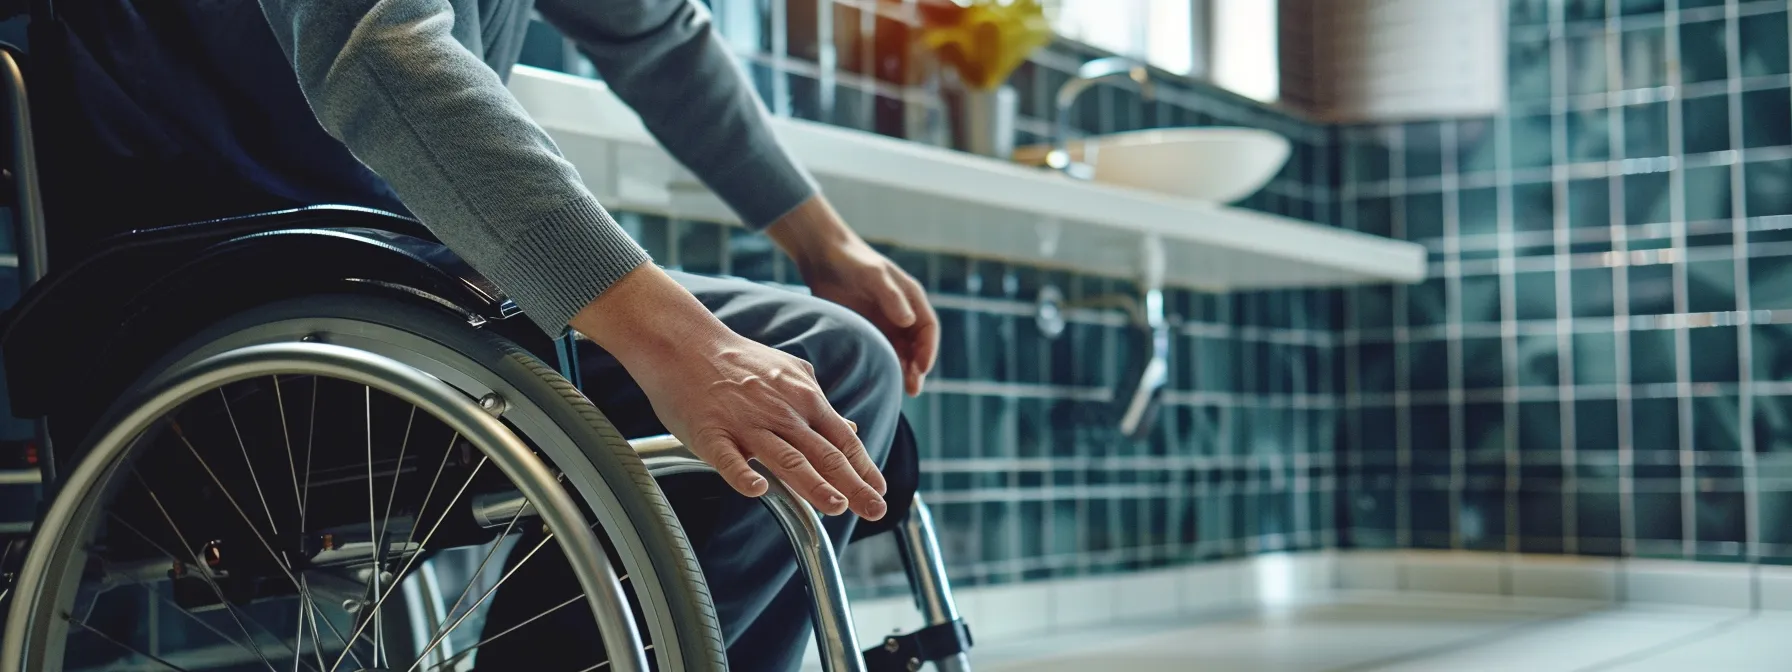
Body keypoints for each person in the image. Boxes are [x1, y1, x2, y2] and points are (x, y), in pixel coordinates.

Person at [36, 0, 938, 669]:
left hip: (395, 280)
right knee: (819, 363)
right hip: (217, 294)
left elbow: (658, 34)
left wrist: (829, 246)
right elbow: (377, 46)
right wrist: (676, 342)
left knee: (828, 360)